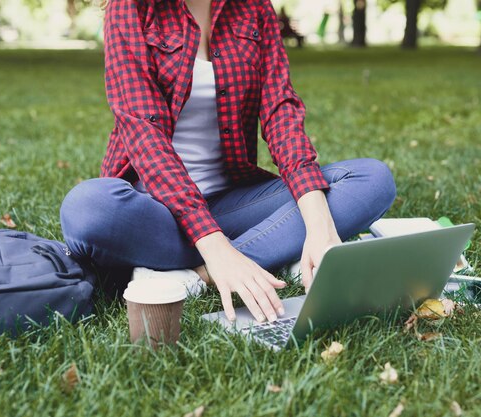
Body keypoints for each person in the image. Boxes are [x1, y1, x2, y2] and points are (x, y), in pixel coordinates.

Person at [60, 0, 396, 325]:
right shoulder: (131, 7)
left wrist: (320, 227)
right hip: (157, 213)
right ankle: (267, 248)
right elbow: (144, 134)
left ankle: (197, 276)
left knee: (372, 179)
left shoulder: (253, 7)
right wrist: (215, 245)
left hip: (232, 205)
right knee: (88, 208)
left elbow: (281, 110)